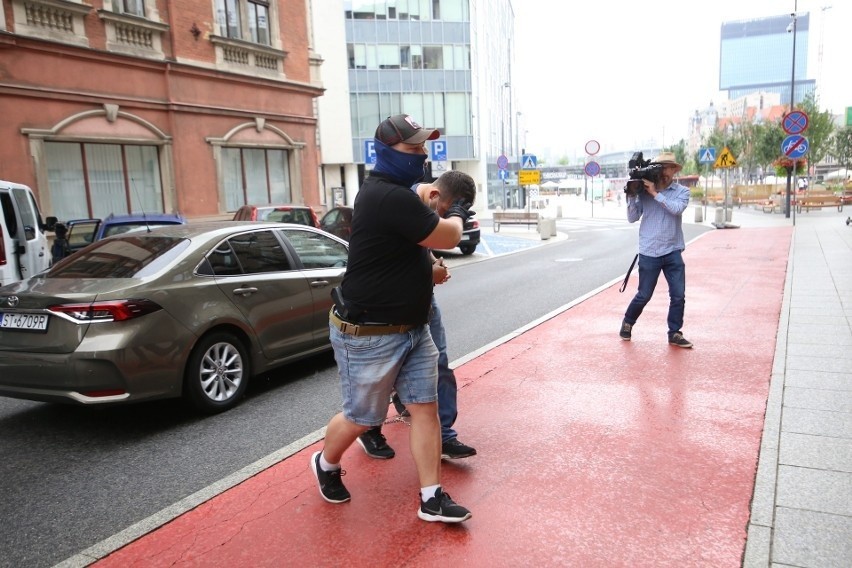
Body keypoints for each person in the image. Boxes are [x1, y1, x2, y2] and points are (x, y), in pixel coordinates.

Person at [310, 114, 476, 523]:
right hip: (370, 331)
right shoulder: (387, 196)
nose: (421, 155)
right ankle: (326, 462)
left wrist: (427, 267)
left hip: (412, 328)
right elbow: (448, 236)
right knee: (360, 416)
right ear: (385, 152)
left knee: (425, 408)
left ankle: (431, 497)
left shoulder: (399, 191)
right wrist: (456, 210)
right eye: (412, 147)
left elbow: (408, 239)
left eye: (423, 147)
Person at [357, 177, 477, 460]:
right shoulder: (396, 202)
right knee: (382, 372)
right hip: (387, 307)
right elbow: (388, 267)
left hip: (423, 301)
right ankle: (368, 428)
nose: (446, 219)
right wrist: (429, 273)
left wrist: (433, 262)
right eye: (447, 211)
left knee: (440, 363)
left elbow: (423, 248)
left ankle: (444, 435)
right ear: (435, 195)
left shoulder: (427, 203)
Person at [619, 152, 693, 348]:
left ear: (674, 171)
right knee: (644, 295)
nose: (665, 172)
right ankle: (628, 322)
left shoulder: (681, 192)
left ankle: (674, 333)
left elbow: (676, 209)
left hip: (673, 251)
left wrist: (655, 194)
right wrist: (631, 196)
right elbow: (632, 218)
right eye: (662, 167)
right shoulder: (643, 191)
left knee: (678, 295)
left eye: (669, 168)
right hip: (649, 252)